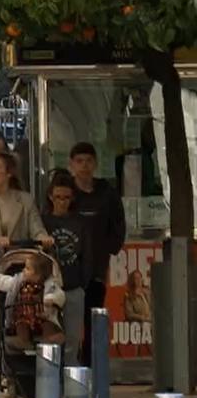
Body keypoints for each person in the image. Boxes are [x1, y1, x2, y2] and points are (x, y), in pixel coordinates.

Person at [68, 142, 126, 360]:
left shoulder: (106, 192)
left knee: (93, 318)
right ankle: (70, 364)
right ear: (71, 164)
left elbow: (118, 225)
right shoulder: (66, 191)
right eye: (79, 161)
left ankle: (91, 366)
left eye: (89, 161)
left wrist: (110, 249)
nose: (84, 166)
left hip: (97, 267)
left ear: (96, 164)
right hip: (70, 267)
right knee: (71, 319)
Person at [0, 152, 52, 279]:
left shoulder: (25, 200)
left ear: (9, 173)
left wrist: (44, 239)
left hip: (17, 268)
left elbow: (37, 229)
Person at [41, 171, 89, 362]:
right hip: (49, 287)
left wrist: (82, 283)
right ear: (51, 197)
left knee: (72, 340)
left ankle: (69, 383)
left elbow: (87, 255)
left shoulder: (80, 223)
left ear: (72, 198)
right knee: (50, 338)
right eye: (58, 197)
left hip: (73, 286)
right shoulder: (43, 222)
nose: (62, 202)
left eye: (66, 198)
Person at [0, 253, 66, 351]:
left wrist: (51, 299)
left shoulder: (50, 285)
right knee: (21, 324)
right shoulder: (18, 282)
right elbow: (3, 281)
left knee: (48, 324)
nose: (23, 270)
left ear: (38, 275)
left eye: (27, 269)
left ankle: (49, 339)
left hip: (43, 315)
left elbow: (60, 295)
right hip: (24, 316)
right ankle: (23, 340)